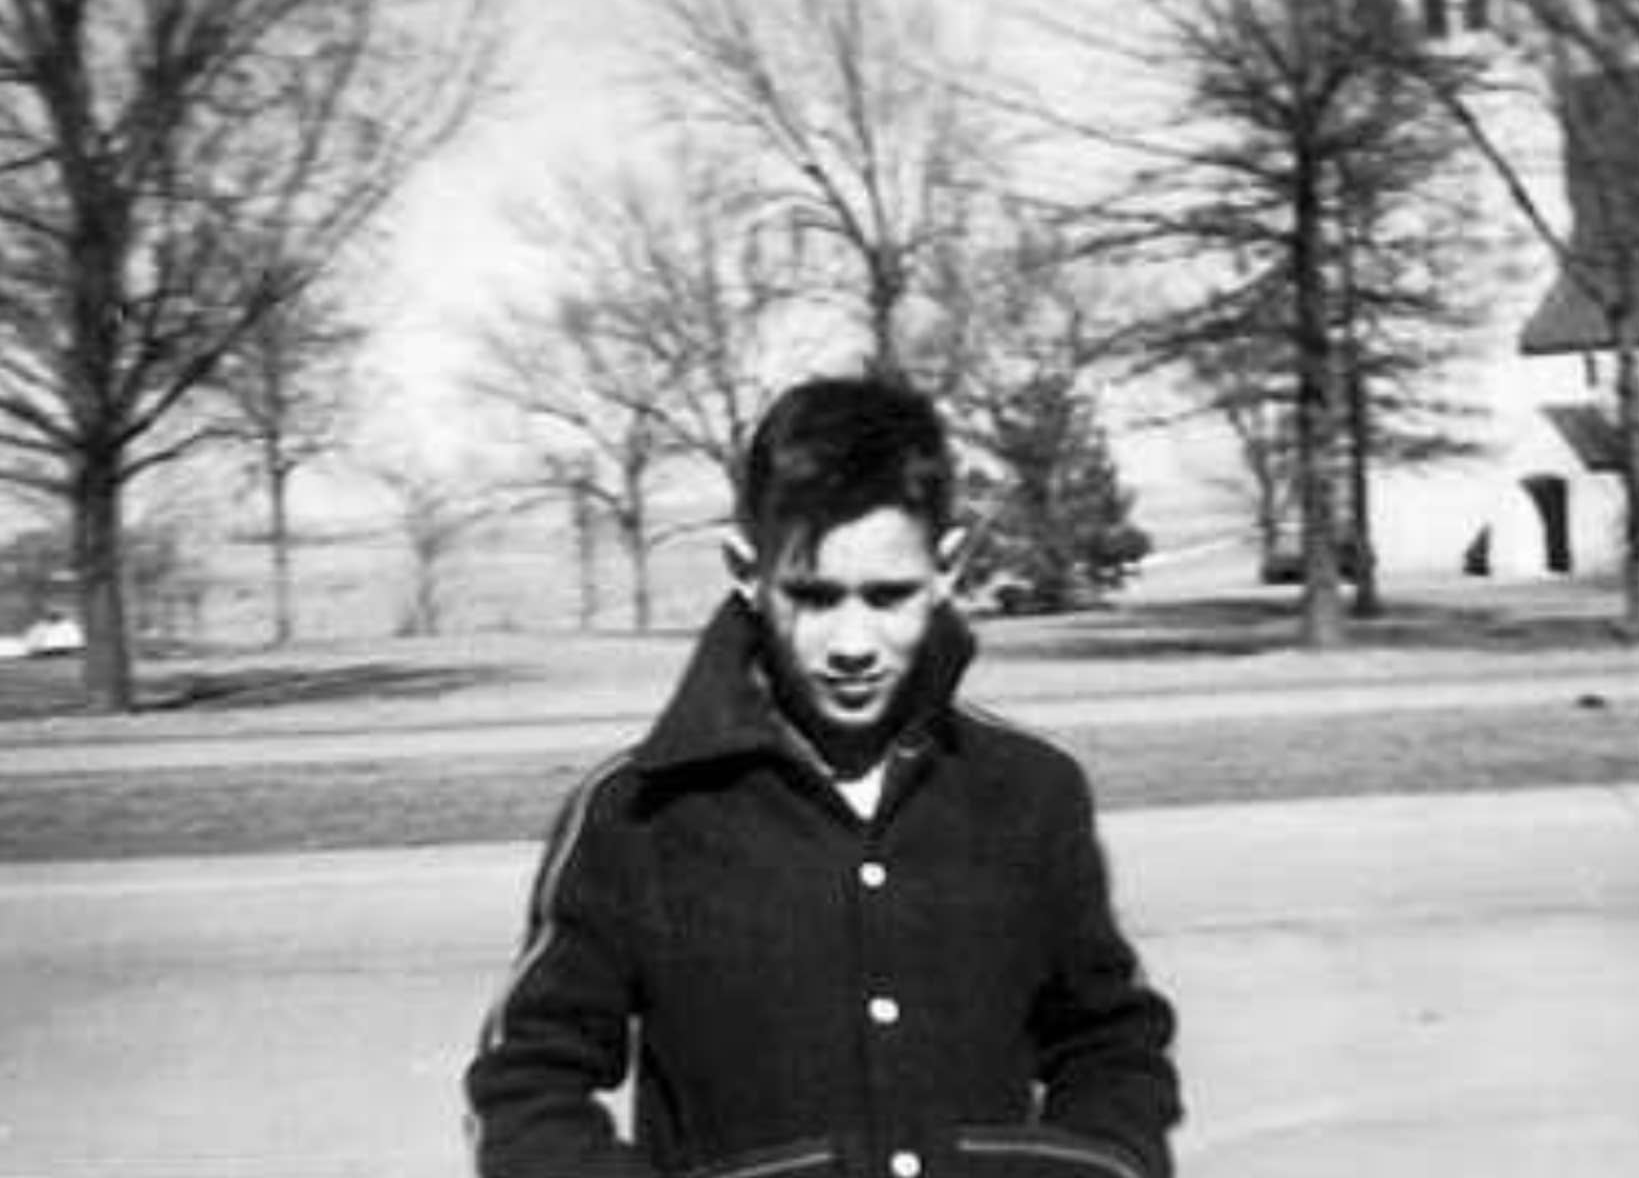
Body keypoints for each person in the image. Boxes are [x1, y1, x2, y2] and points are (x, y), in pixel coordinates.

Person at [464, 377, 1181, 1178]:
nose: (851, 643)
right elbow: (527, 1089)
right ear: (746, 570)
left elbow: (1113, 1044)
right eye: (812, 595)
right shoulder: (636, 815)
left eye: (888, 596)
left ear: (948, 569)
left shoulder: (1031, 792)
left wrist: (1098, 1165)